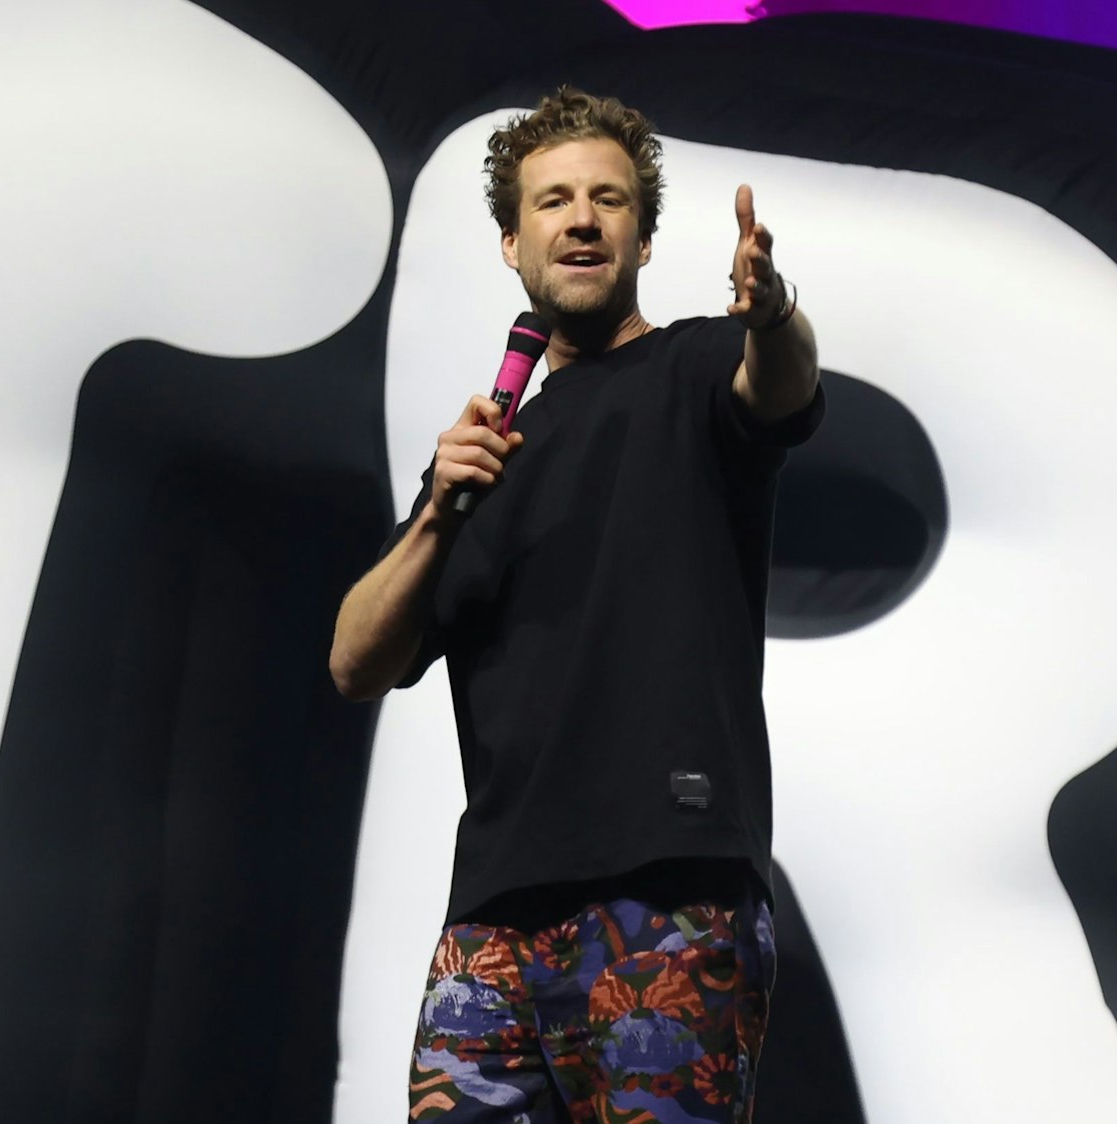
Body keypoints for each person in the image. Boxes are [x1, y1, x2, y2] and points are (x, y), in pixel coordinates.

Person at [329, 86, 822, 1123]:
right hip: (493, 925)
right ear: (513, 242)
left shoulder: (692, 366)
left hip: (669, 896)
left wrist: (771, 312)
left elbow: (776, 388)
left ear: (642, 237)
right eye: (553, 201)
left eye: (607, 199)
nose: (582, 218)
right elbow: (353, 660)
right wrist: (437, 515)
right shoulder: (487, 452)